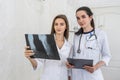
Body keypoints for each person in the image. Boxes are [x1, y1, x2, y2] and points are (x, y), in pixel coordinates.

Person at [66, 6, 112, 80]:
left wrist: (95, 67)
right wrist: (69, 69)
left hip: (92, 75)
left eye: (83, 17)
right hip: (76, 75)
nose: (80, 20)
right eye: (78, 18)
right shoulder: (76, 36)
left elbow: (107, 56)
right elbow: (72, 56)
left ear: (90, 17)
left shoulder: (100, 34)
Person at [24, 14, 72, 80]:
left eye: (61, 24)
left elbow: (70, 72)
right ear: (53, 26)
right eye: (56, 24)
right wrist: (30, 58)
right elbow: (38, 64)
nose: (58, 27)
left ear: (66, 27)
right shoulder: (46, 42)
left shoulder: (70, 46)